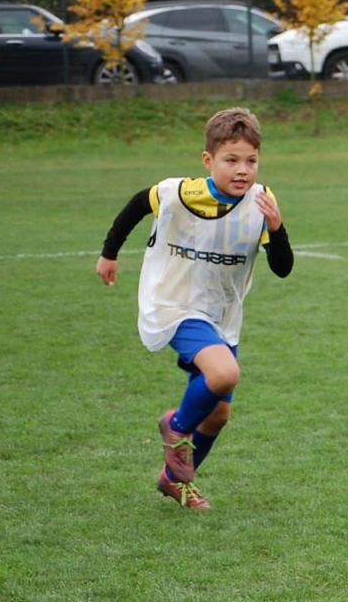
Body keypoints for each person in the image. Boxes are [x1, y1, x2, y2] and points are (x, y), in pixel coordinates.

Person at [96, 107, 293, 511]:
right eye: (231, 160)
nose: (243, 170)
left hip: (222, 316)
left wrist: (277, 229)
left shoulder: (262, 202)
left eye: (251, 161)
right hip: (174, 304)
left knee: (219, 414)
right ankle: (176, 425)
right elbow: (137, 204)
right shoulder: (180, 192)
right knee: (224, 373)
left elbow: (283, 268)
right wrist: (109, 253)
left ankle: (174, 480)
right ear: (208, 160)